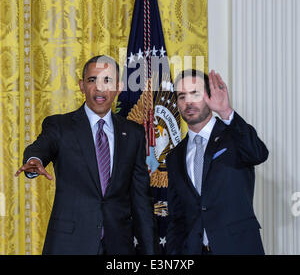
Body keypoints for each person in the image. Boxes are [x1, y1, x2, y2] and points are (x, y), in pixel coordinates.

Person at [15, 55, 158, 255]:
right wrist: (34, 161)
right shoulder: (60, 126)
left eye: (107, 80)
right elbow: (41, 146)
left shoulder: (133, 133)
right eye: (92, 80)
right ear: (82, 86)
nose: (99, 88)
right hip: (69, 245)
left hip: (119, 246)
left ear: (118, 87)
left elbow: (141, 200)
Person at [166, 69, 269, 255]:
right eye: (182, 96)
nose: (188, 102)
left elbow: (258, 154)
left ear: (209, 96)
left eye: (195, 94)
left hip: (237, 248)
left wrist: (226, 112)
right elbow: (177, 217)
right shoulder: (174, 156)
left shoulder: (234, 136)